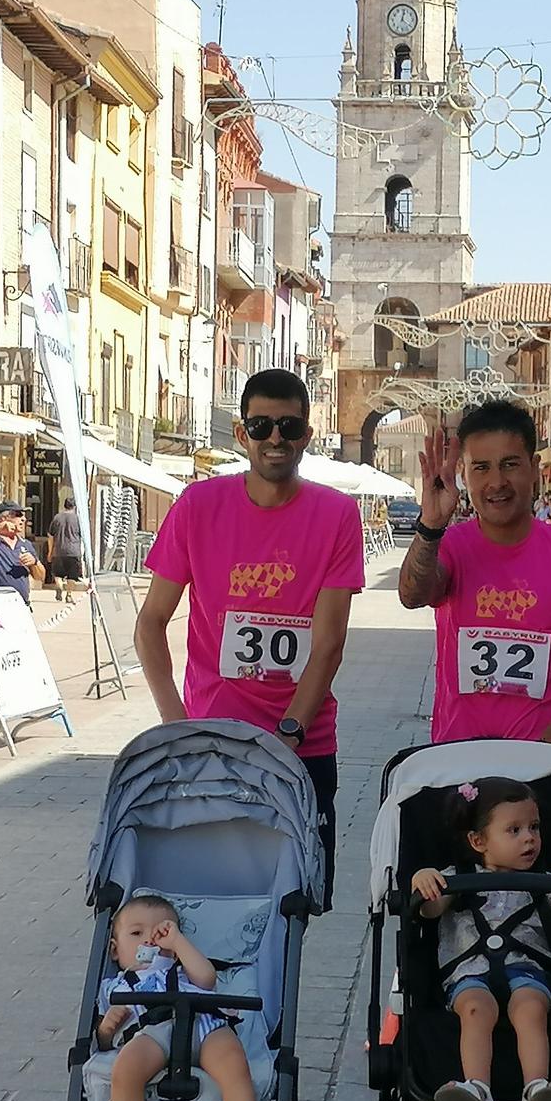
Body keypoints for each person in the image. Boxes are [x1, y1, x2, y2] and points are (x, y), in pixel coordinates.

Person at [137, 369, 363, 903]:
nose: (275, 439)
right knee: (204, 895)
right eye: (261, 426)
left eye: (288, 426)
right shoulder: (197, 506)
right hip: (212, 745)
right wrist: (176, 724)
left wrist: (289, 733)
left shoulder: (337, 515)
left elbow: (329, 643)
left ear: (308, 433)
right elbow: (150, 622)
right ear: (241, 435)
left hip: (303, 745)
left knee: (293, 904)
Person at [400, 401, 551, 747]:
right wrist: (429, 526)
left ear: (534, 469)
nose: (496, 482)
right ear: (464, 475)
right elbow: (413, 595)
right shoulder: (451, 546)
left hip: (543, 764)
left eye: (510, 465)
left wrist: (542, 755)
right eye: (481, 468)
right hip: (457, 760)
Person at [409, 777, 551, 1101]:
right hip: (469, 972)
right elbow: (428, 911)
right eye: (514, 830)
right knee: (476, 1008)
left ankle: (537, 1088)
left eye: (534, 827)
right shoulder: (455, 877)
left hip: (527, 969)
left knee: (531, 1007)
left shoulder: (543, 879)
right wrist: (424, 879)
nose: (529, 838)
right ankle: (477, 1088)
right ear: (478, 841)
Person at [94, 896, 261, 1101]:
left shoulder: (183, 969)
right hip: (150, 1033)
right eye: (136, 934)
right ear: (115, 950)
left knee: (233, 1060)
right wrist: (106, 1029)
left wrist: (177, 943)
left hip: (204, 1025)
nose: (148, 940)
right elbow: (104, 1043)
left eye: (158, 933)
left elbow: (207, 979)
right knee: (125, 1069)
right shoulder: (114, 985)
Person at [0, 502, 46, 604]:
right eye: (18, 515)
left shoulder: (25, 544)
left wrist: (34, 563)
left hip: (22, 604)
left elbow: (40, 577)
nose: (23, 519)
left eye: (24, 516)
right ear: (3, 519)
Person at [46, 493, 85, 602]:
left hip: (58, 551)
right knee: (72, 576)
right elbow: (83, 537)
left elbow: (50, 536)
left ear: (64, 505)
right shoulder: (78, 519)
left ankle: (59, 585)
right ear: (74, 507)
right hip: (73, 551)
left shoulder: (57, 518)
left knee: (58, 573)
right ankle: (69, 594)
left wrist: (50, 552)